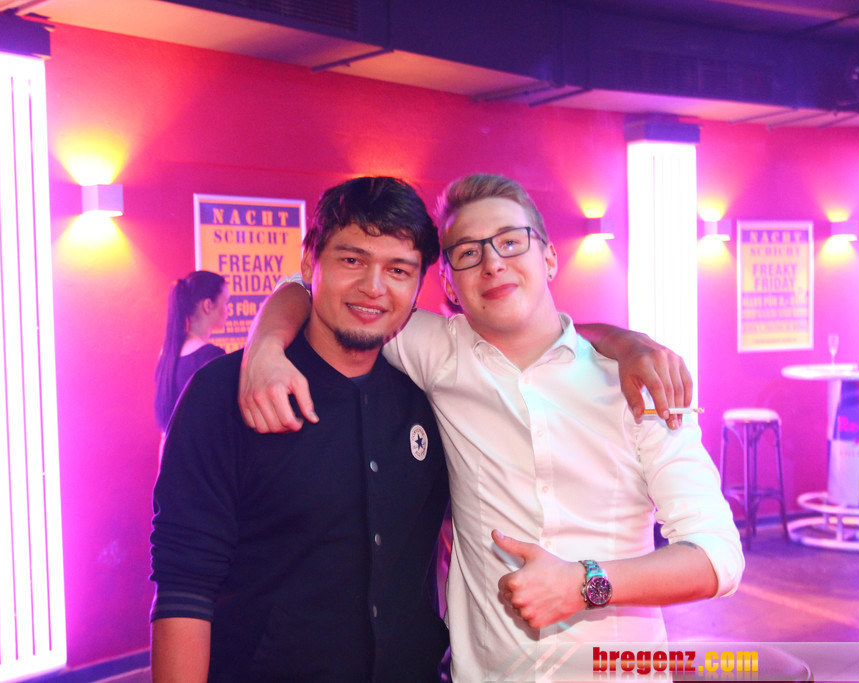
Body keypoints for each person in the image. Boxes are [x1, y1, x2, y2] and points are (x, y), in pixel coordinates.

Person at [239, 174, 744, 681]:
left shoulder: (638, 386)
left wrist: (585, 584)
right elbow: (314, 289)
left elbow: (718, 556)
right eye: (468, 252)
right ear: (449, 286)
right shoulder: (438, 353)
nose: (493, 263)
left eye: (510, 242)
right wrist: (264, 346)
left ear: (549, 257)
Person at [150, 177, 451, 682]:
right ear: (311, 262)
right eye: (352, 260)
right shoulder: (222, 394)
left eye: (398, 270)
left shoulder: (431, 395)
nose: (374, 287)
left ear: (418, 284)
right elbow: (184, 583)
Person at [154, 270, 230, 431]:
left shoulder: (166, 353)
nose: (228, 309)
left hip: (170, 446)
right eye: (226, 303)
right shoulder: (211, 356)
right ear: (208, 305)